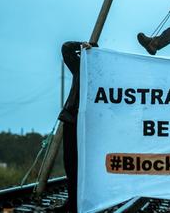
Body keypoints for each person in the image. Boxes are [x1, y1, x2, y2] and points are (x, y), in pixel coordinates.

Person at [57, 40, 97, 212]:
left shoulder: (102, 74)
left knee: (85, 165)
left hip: (89, 124)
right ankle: (73, 201)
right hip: (72, 120)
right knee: (70, 162)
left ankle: (80, 202)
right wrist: (82, 44)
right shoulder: (80, 66)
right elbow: (66, 47)